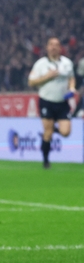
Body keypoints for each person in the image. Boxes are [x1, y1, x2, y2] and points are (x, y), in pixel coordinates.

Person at [28, 37, 76, 169]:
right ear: (47, 48)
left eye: (56, 45)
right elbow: (31, 82)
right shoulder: (40, 64)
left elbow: (71, 78)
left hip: (62, 102)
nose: (54, 47)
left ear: (60, 48)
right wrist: (47, 77)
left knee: (65, 132)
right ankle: (46, 161)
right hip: (46, 101)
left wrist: (72, 88)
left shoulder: (67, 63)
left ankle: (52, 128)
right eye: (51, 45)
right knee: (47, 133)